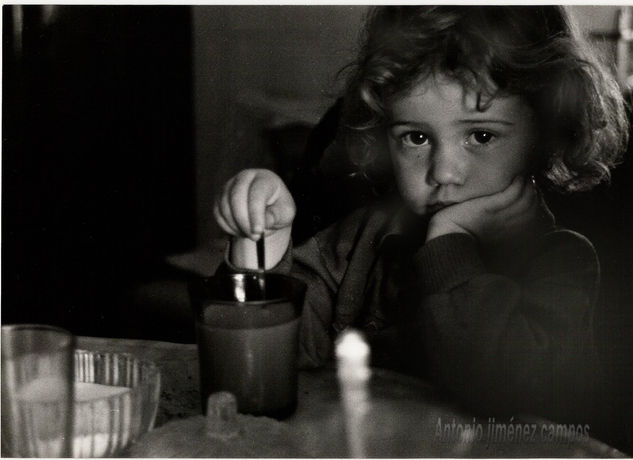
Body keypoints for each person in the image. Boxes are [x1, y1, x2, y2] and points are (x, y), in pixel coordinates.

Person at [213, 6, 629, 436]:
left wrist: (449, 245)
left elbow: (506, 395)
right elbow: (271, 364)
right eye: (416, 137)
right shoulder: (365, 238)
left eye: (481, 136)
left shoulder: (560, 263)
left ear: (542, 134)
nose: (444, 172)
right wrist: (261, 241)